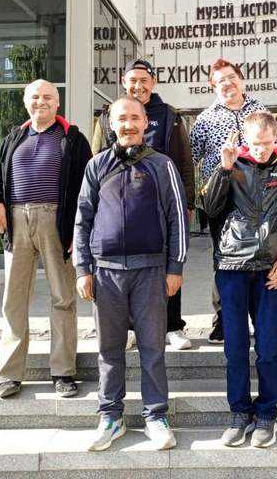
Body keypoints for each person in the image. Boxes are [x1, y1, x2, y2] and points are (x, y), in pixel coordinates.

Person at [73, 97, 188, 451]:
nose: (128, 125)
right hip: (105, 274)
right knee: (109, 350)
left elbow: (177, 218)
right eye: (121, 119)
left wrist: (175, 267)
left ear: (145, 122)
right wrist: (82, 268)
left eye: (135, 118)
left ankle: (156, 416)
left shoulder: (162, 164)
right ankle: (111, 416)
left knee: (152, 349)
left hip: (150, 272)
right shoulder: (96, 165)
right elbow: (82, 219)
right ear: (111, 124)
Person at [0, 79, 92, 399]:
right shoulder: (13, 137)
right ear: (26, 102)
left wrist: (78, 230)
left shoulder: (73, 139)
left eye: (47, 97)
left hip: (56, 222)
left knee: (63, 298)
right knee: (14, 301)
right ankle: (9, 375)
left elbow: (88, 188)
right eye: (35, 96)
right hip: (16, 222)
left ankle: (63, 372)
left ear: (57, 103)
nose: (40, 101)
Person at [203, 111, 277, 448]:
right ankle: (239, 413)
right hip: (232, 267)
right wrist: (224, 168)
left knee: (268, 348)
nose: (261, 150)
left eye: (267, 143)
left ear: (276, 138)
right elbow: (210, 209)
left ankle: (267, 414)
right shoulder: (231, 164)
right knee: (235, 347)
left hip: (271, 270)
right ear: (246, 139)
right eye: (256, 144)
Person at [92, 59, 195, 350]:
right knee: (125, 270)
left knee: (169, 264)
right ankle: (128, 328)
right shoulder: (108, 116)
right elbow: (96, 158)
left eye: (144, 80)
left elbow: (184, 162)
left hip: (161, 204)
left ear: (153, 83)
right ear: (124, 82)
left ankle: (172, 326)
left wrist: (187, 203)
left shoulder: (170, 116)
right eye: (133, 80)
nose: (138, 86)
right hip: (120, 205)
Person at [190, 58, 277, 344]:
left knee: (263, 256)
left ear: (241, 80)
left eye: (231, 77)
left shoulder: (260, 110)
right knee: (223, 260)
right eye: (220, 81)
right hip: (222, 200)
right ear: (213, 87)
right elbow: (191, 156)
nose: (227, 84)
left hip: (261, 199)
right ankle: (223, 319)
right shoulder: (205, 119)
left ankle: (262, 319)